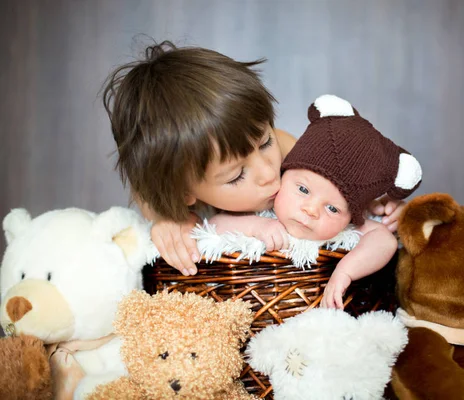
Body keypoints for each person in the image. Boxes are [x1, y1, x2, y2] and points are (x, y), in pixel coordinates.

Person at [102, 41, 406, 275]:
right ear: (185, 193)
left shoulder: (288, 150)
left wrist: (375, 199)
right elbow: (149, 192)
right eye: (236, 176)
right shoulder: (170, 190)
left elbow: (334, 182)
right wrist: (167, 219)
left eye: (264, 142)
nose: (268, 173)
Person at [210, 94, 423, 308]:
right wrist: (257, 226)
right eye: (303, 189)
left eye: (332, 208)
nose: (311, 210)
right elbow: (212, 226)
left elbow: (384, 240)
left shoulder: (345, 226)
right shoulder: (263, 200)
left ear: (352, 215)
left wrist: (346, 271)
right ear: (284, 174)